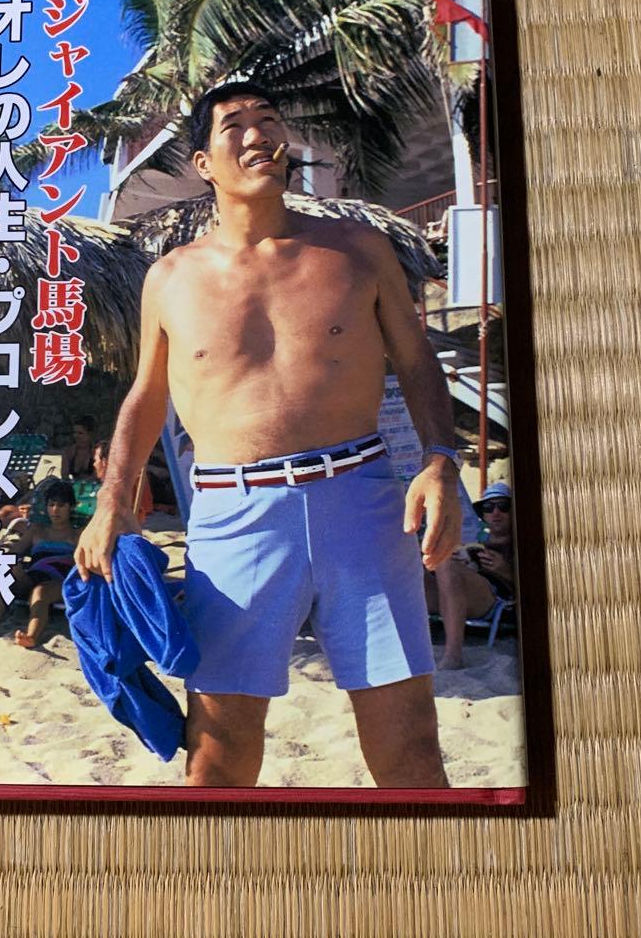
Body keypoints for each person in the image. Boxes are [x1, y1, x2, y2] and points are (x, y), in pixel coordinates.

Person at [74, 82, 462, 788]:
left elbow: (415, 361)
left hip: (362, 500)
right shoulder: (171, 277)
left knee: (409, 741)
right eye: (235, 125)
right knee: (217, 747)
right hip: (234, 512)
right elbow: (147, 396)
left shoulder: (357, 250)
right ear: (203, 163)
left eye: (270, 120)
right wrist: (111, 504)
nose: (259, 135)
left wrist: (440, 459)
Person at [0, 480, 81, 648]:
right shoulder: (37, 530)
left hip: (58, 581)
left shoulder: (77, 535)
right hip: (31, 577)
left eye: (61, 505)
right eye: (51, 505)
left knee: (40, 592)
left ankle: (31, 636)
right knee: (3, 577)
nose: (55, 510)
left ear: (71, 507)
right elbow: (15, 551)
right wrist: (9, 562)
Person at [425, 482, 514, 670]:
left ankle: (453, 656)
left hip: (494, 598)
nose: (496, 512)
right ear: (482, 514)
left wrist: (505, 570)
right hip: (456, 588)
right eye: (489, 507)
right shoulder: (476, 539)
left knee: (447, 564)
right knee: (411, 567)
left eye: (503, 506)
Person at [93, 438, 154, 525]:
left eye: (96, 460)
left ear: (104, 462)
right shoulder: (124, 479)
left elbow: (144, 510)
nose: (94, 464)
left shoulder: (128, 481)